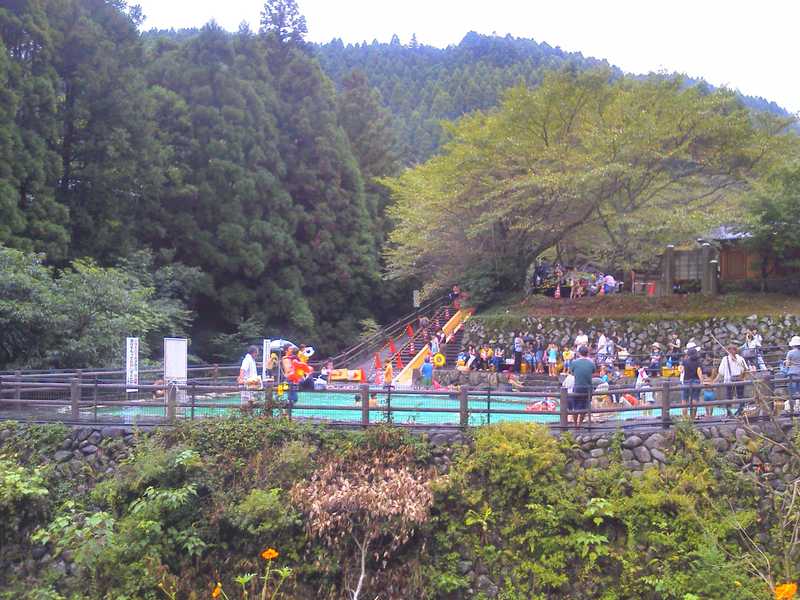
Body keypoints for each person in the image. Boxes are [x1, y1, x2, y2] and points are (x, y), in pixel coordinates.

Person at [716, 344, 750, 416]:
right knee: (738, 396)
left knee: (730, 396)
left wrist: (743, 377)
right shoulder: (735, 359)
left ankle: (736, 411)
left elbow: (721, 371)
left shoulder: (737, 359)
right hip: (734, 380)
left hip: (733, 380)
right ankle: (735, 411)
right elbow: (746, 369)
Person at [570, 346, 594, 428]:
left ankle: (575, 424)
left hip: (578, 387)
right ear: (587, 353)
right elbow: (593, 371)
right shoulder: (591, 363)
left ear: (579, 353)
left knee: (575, 407)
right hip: (588, 388)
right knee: (585, 407)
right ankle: (579, 424)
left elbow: (572, 372)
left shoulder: (574, 362)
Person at [680, 345, 703, 419]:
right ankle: (692, 417)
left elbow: (681, 370)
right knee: (695, 399)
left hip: (686, 381)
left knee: (684, 400)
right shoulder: (698, 361)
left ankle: (684, 417)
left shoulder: (685, 361)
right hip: (696, 381)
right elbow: (699, 371)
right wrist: (702, 381)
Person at [785, 336, 800, 404]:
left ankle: (793, 406)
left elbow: (787, 365)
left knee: (792, 392)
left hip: (792, 373)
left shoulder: (790, 353)